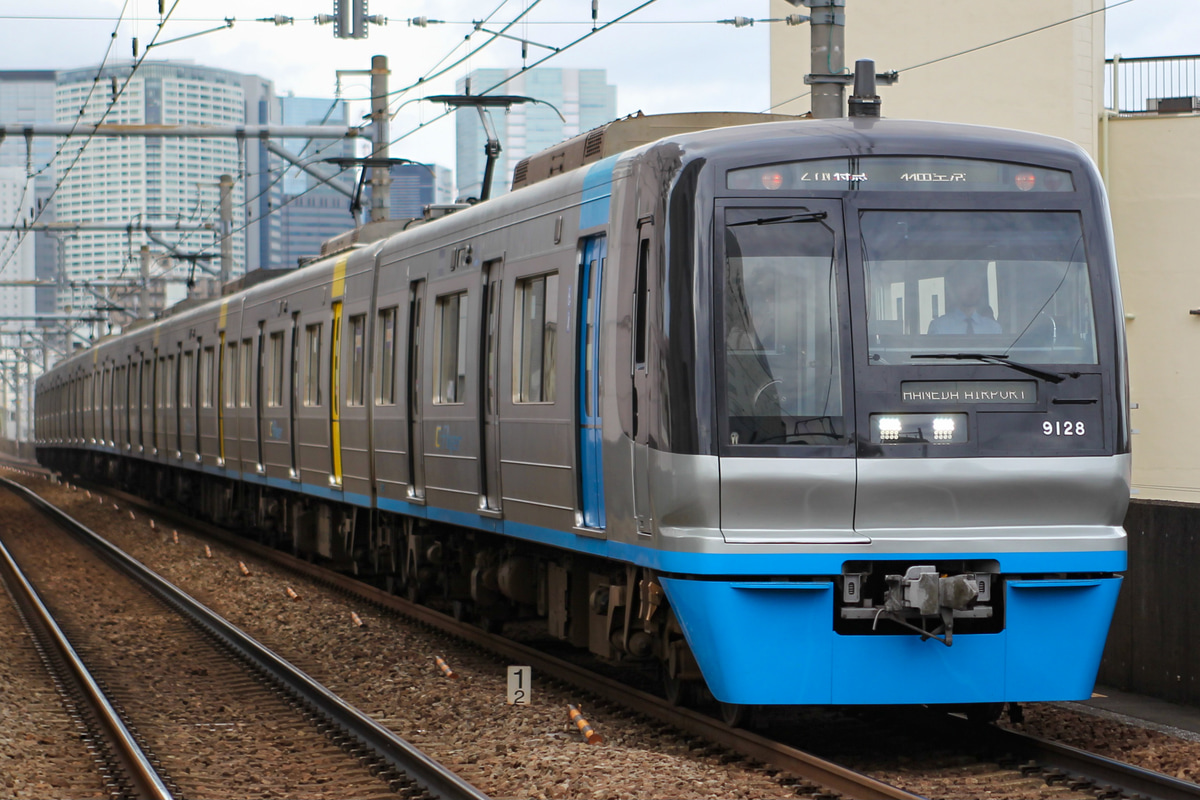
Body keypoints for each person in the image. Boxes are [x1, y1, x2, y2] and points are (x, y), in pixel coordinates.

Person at [928, 263, 1001, 334]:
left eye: (975, 283)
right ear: (955, 288)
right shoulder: (938, 327)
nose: (972, 288)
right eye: (966, 283)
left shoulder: (993, 328)